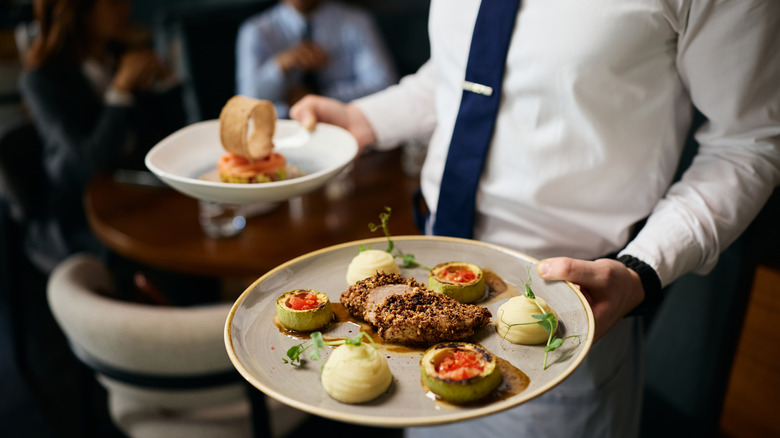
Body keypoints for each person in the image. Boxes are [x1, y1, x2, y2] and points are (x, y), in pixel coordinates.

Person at [290, 1, 780, 436]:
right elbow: (462, 69)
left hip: (567, 317)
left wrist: (642, 270)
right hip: (424, 295)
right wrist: (367, 118)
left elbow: (750, 141)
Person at [19, 0, 216, 305]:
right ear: (78, 11)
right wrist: (121, 89)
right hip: (80, 211)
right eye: (113, 2)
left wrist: (166, 83)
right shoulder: (41, 80)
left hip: (134, 194)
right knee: (169, 264)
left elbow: (170, 142)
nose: (126, 8)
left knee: (199, 236)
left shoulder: (123, 56)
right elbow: (88, 163)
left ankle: (205, 317)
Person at [235, 0, 397, 118]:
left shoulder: (357, 23)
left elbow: (384, 85)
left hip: (343, 124)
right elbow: (247, 101)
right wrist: (280, 66)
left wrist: (320, 98)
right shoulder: (255, 31)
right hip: (279, 130)